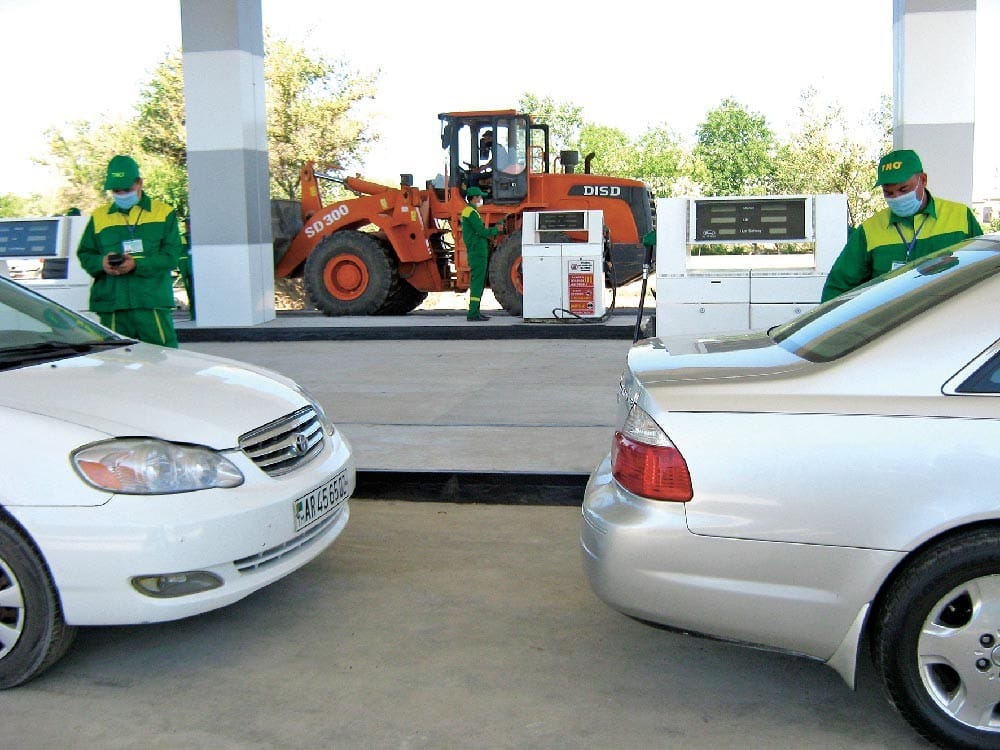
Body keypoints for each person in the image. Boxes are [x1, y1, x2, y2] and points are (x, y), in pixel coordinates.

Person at [821, 148, 983, 302]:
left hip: (948, 318)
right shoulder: (870, 229)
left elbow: (983, 269)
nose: (897, 197)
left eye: (904, 189)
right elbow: (838, 286)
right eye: (888, 193)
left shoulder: (961, 216)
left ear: (923, 180)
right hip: (892, 322)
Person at [77, 155, 183, 347]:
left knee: (162, 357)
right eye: (117, 191)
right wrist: (102, 263)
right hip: (113, 302)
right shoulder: (99, 216)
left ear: (140, 183)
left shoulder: (163, 213)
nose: (122, 194)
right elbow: (85, 253)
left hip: (150, 302)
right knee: (116, 360)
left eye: (127, 189)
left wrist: (137, 264)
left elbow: (171, 256)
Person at [460, 186, 500, 322]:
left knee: (478, 282)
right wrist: (496, 230)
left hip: (477, 251)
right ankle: (473, 313)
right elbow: (482, 231)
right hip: (477, 252)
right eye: (479, 197)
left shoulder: (470, 212)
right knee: (477, 283)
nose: (481, 199)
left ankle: (475, 311)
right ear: (474, 198)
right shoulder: (470, 212)